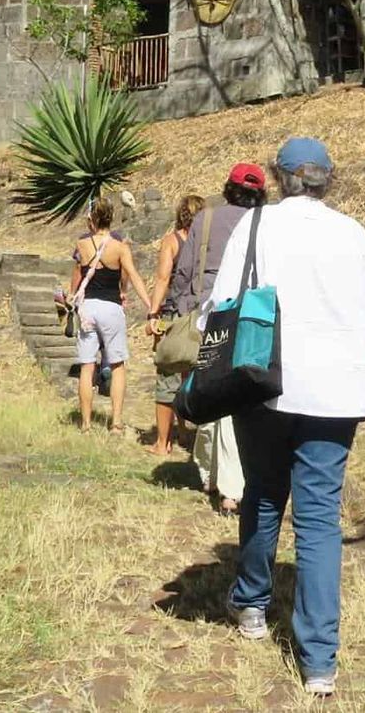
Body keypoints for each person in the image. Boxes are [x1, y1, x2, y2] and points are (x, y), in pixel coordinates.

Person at [203, 137, 365, 698]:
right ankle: (319, 662)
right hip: (338, 394)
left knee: (262, 490)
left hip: (268, 385)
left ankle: (254, 603)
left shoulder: (255, 229)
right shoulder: (355, 234)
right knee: (319, 519)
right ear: (327, 179)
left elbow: (221, 308)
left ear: (279, 177)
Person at [160, 162, 266, 513]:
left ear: (228, 188)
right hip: (253, 318)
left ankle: (210, 474)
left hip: (210, 318)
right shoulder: (266, 223)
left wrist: (176, 311)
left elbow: (184, 273)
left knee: (212, 394)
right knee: (242, 400)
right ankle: (233, 485)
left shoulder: (204, 220)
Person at [70, 197, 152, 434]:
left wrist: (71, 296)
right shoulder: (119, 246)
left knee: (87, 366)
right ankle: (115, 422)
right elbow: (132, 275)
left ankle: (85, 424)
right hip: (111, 308)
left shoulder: (82, 244)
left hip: (88, 307)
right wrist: (149, 304)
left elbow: (77, 274)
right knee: (117, 365)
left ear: (91, 219)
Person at [146, 193, 205, 456]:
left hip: (174, 315)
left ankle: (163, 442)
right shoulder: (210, 244)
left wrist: (152, 314)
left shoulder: (173, 241)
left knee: (168, 373)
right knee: (194, 373)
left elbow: (162, 279)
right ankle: (188, 432)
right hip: (202, 315)